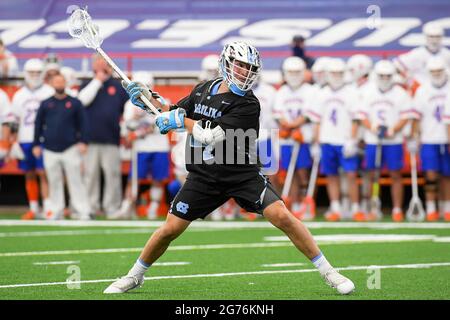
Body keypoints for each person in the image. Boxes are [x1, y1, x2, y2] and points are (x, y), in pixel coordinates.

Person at [103, 41, 355, 295]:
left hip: (240, 173)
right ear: (226, 62)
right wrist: (148, 99)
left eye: (250, 68)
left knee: (281, 215)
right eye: (241, 65)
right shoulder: (204, 89)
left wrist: (178, 119)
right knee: (169, 229)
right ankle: (134, 276)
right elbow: (173, 111)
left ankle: (329, 272)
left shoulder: (248, 104)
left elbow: (209, 134)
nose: (245, 72)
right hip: (204, 174)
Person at [306, 58, 364, 222]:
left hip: (344, 140)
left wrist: (352, 140)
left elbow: (355, 119)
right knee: (331, 176)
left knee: (351, 175)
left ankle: (355, 208)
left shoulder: (351, 92)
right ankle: (335, 207)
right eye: (334, 73)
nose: (337, 76)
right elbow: (316, 121)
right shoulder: (321, 93)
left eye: (339, 73)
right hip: (327, 140)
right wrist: (316, 143)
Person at [355, 60, 414, 222]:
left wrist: (394, 129)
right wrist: (371, 126)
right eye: (382, 75)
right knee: (372, 174)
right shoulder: (368, 92)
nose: (385, 78)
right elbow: (362, 116)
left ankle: (396, 209)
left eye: (388, 75)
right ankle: (372, 206)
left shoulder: (400, 93)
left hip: (393, 140)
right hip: (373, 140)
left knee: (395, 174)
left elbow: (405, 115)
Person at [32, 73, 90, 220]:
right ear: (52, 84)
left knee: (75, 180)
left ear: (66, 83)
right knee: (54, 180)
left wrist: (83, 141)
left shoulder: (75, 103)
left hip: (70, 147)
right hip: (50, 148)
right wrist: (36, 144)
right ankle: (56, 210)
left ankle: (82, 210)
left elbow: (83, 124)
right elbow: (38, 125)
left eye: (61, 81)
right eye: (56, 82)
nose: (59, 84)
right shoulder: (46, 104)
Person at [113, 71, 170, 220]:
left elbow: (161, 125)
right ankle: (127, 206)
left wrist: (139, 131)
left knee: (158, 179)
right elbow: (127, 126)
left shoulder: (162, 102)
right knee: (135, 178)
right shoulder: (130, 105)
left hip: (159, 145)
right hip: (141, 148)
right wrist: (134, 120)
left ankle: (154, 207)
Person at [78, 54, 129, 218]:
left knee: (112, 175)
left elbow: (127, 111)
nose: (102, 66)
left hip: (111, 138)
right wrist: (97, 81)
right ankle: (90, 207)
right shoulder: (86, 84)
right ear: (93, 65)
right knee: (90, 175)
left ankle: (112, 207)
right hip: (90, 139)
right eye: (99, 62)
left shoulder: (118, 87)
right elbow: (82, 102)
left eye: (105, 63)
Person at [6, 58, 54, 219]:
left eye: (38, 73)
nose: (34, 76)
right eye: (31, 72)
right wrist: (13, 141)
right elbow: (14, 121)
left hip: (43, 139)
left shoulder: (49, 91)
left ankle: (48, 207)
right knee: (29, 173)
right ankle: (33, 207)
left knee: (44, 173)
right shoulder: (19, 95)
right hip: (25, 138)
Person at [273, 56, 314, 216]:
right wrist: (288, 126)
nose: (294, 75)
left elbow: (308, 114)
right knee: (292, 172)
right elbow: (278, 114)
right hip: (287, 137)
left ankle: (306, 202)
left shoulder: (310, 91)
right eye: (291, 72)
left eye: (297, 72)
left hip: (303, 136)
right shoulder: (282, 91)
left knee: (303, 172)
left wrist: (294, 125)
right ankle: (295, 203)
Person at [411, 57, 450, 221]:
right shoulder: (422, 91)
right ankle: (431, 207)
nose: (436, 74)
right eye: (433, 72)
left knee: (447, 175)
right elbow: (416, 117)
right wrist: (415, 136)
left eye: (438, 71)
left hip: (446, 138)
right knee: (431, 176)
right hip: (429, 137)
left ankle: (446, 206)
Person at [393, 23, 450, 93]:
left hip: (444, 91)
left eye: (437, 37)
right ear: (426, 37)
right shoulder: (417, 53)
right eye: (431, 37)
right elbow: (397, 65)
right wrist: (410, 82)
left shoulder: (447, 54)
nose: (434, 40)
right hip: (420, 92)